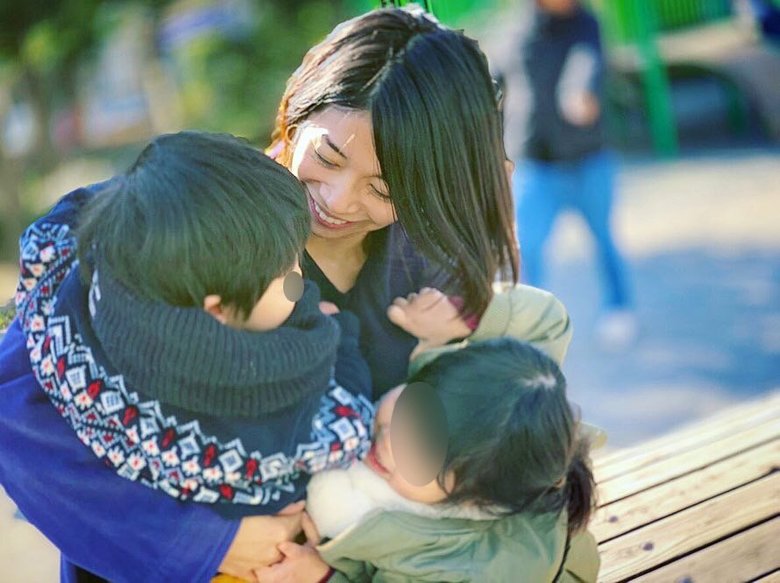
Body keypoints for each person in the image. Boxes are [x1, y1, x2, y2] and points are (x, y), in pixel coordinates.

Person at [0, 7, 572, 582]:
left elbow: (493, 460)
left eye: (383, 188)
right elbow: (15, 411)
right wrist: (210, 543)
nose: (339, 201)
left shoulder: (430, 272)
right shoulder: (189, 213)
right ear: (299, 111)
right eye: (326, 158)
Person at [13, 130, 374, 517]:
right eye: (289, 274)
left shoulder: (69, 294)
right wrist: (339, 338)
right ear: (218, 311)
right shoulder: (243, 427)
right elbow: (348, 430)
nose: (301, 278)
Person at [249, 286, 599, 583]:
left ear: (471, 501)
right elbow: (549, 320)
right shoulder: (504, 403)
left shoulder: (452, 564)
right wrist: (463, 318)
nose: (388, 442)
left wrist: (324, 576)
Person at [497, 0, 637, 350]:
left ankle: (619, 308)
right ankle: (532, 325)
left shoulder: (587, 24)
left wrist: (580, 95)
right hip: (535, 162)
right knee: (527, 248)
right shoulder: (515, 29)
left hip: (588, 158)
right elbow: (493, 82)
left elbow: (587, 64)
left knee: (604, 239)